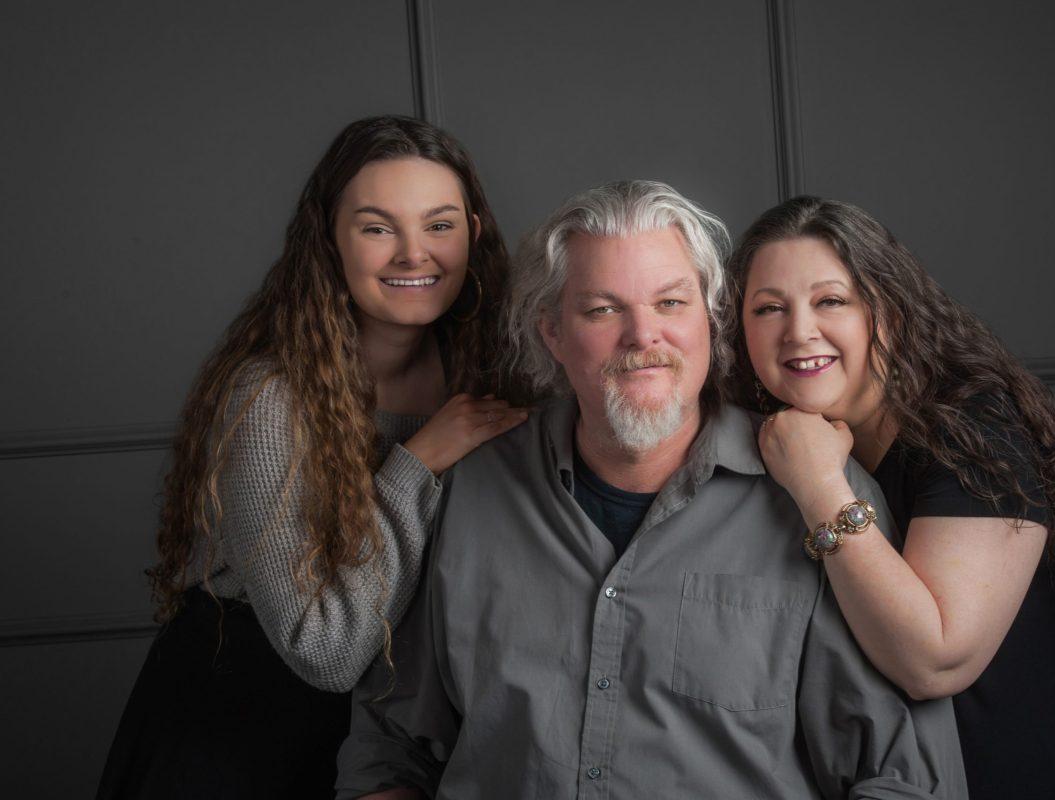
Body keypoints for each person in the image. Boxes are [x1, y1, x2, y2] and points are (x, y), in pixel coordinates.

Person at [334, 180, 967, 799]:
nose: (644, 337)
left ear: (712, 321)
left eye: (671, 303)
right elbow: (390, 748)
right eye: (602, 309)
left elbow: (903, 776)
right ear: (552, 332)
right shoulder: (470, 491)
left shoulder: (818, 496)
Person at [97, 115, 527, 800]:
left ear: (475, 232)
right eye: (377, 227)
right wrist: (417, 461)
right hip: (245, 722)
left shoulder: (491, 374)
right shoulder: (269, 398)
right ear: (329, 237)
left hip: (397, 729)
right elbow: (324, 651)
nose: (414, 254)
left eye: (440, 225)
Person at [731, 195, 1055, 799]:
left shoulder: (971, 427)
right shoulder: (781, 444)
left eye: (831, 301)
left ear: (889, 313)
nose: (799, 330)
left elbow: (936, 660)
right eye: (769, 308)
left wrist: (820, 486)